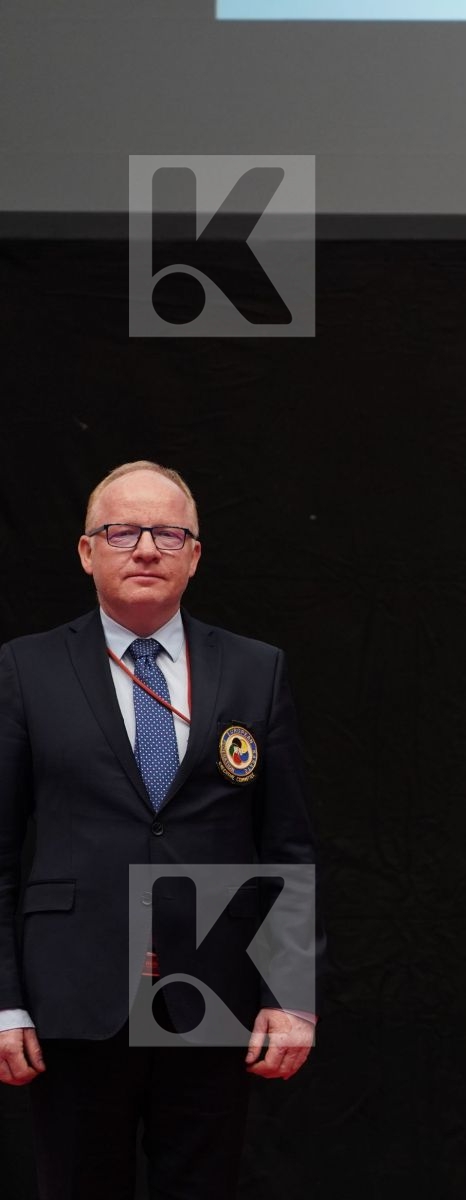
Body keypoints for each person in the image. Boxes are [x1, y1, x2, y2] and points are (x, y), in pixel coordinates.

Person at [0, 461, 321, 1200]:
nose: (146, 548)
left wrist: (290, 992)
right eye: (122, 532)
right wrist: (5, 999)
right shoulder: (26, 669)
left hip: (211, 992)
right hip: (73, 999)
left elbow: (288, 847)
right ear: (87, 552)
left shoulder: (255, 670)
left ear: (194, 555)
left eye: (168, 534)